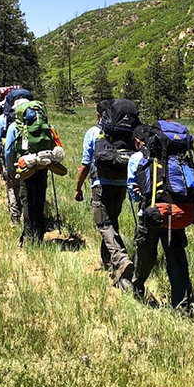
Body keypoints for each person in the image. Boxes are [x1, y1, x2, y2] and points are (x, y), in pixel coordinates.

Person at [127, 124, 192, 309]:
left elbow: (134, 193)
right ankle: (182, 303)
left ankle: (137, 288)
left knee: (145, 253)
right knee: (176, 257)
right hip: (176, 211)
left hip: (151, 213)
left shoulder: (140, 159)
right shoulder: (179, 160)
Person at [76, 101, 135, 289]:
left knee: (103, 223)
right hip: (121, 183)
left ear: (98, 115)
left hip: (101, 183)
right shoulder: (126, 132)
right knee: (112, 221)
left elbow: (86, 164)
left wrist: (78, 187)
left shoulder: (93, 132)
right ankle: (109, 263)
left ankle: (121, 259)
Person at [0, 88, 32, 225]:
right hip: (32, 158)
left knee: (13, 187)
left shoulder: (3, 119)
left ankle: (15, 220)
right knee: (29, 187)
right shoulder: (34, 119)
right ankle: (31, 219)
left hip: (13, 159)